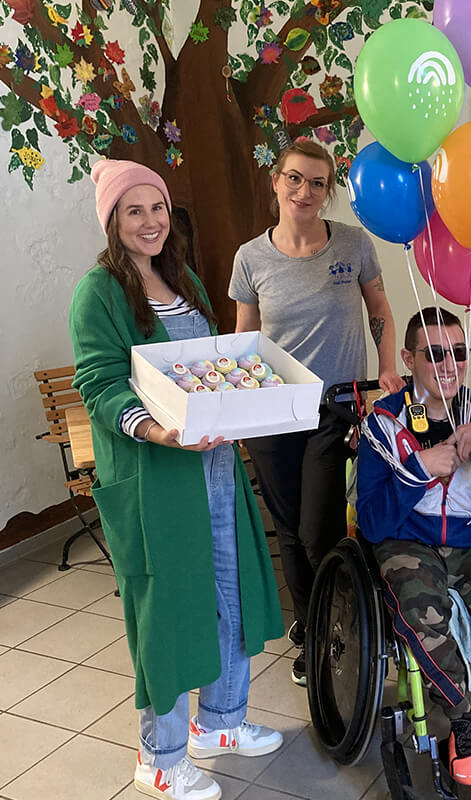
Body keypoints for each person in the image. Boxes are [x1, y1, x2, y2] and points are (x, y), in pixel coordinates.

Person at [70, 160, 285, 800]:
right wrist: (157, 431)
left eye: (157, 208)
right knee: (167, 612)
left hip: (214, 466)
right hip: (155, 478)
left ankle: (221, 721)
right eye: (133, 210)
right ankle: (159, 758)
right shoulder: (99, 293)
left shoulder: (181, 277)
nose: (150, 222)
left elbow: (210, 365)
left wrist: (240, 403)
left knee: (231, 592)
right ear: (112, 220)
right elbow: (99, 384)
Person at [229, 139, 404, 686]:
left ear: (330, 192)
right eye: (295, 179)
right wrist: (235, 409)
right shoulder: (250, 258)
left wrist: (389, 369)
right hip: (273, 412)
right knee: (287, 529)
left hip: (337, 407)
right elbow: (245, 339)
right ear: (276, 182)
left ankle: (335, 619)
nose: (305, 191)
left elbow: (380, 309)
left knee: (317, 529)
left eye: (318, 183)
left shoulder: (352, 244)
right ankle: (311, 624)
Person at [357, 307, 471, 787]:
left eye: (458, 353)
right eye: (434, 353)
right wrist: (420, 467)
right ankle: (462, 720)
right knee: (421, 605)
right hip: (408, 540)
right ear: (408, 358)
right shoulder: (384, 422)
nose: (448, 364)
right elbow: (374, 521)